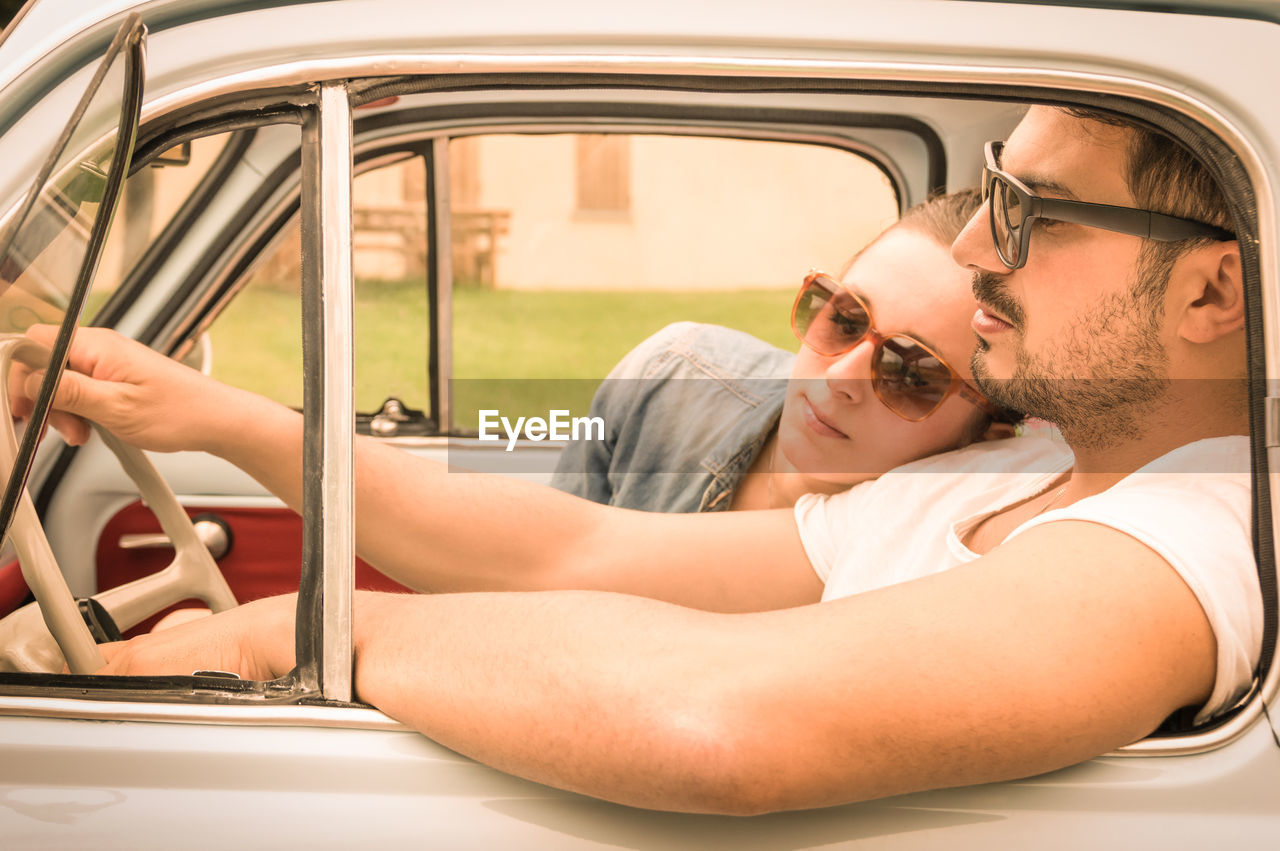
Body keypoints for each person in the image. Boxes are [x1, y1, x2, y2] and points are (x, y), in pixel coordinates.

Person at [13, 105, 1261, 815]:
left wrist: (296, 635)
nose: (983, 252)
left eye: (1034, 216)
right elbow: (578, 545)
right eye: (993, 193)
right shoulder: (1006, 471)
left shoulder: (1184, 540)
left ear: (1214, 288)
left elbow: (720, 718)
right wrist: (214, 411)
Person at [550, 190, 1018, 512]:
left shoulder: (933, 569)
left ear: (981, 440)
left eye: (912, 374)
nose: (839, 379)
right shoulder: (667, 374)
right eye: (846, 319)